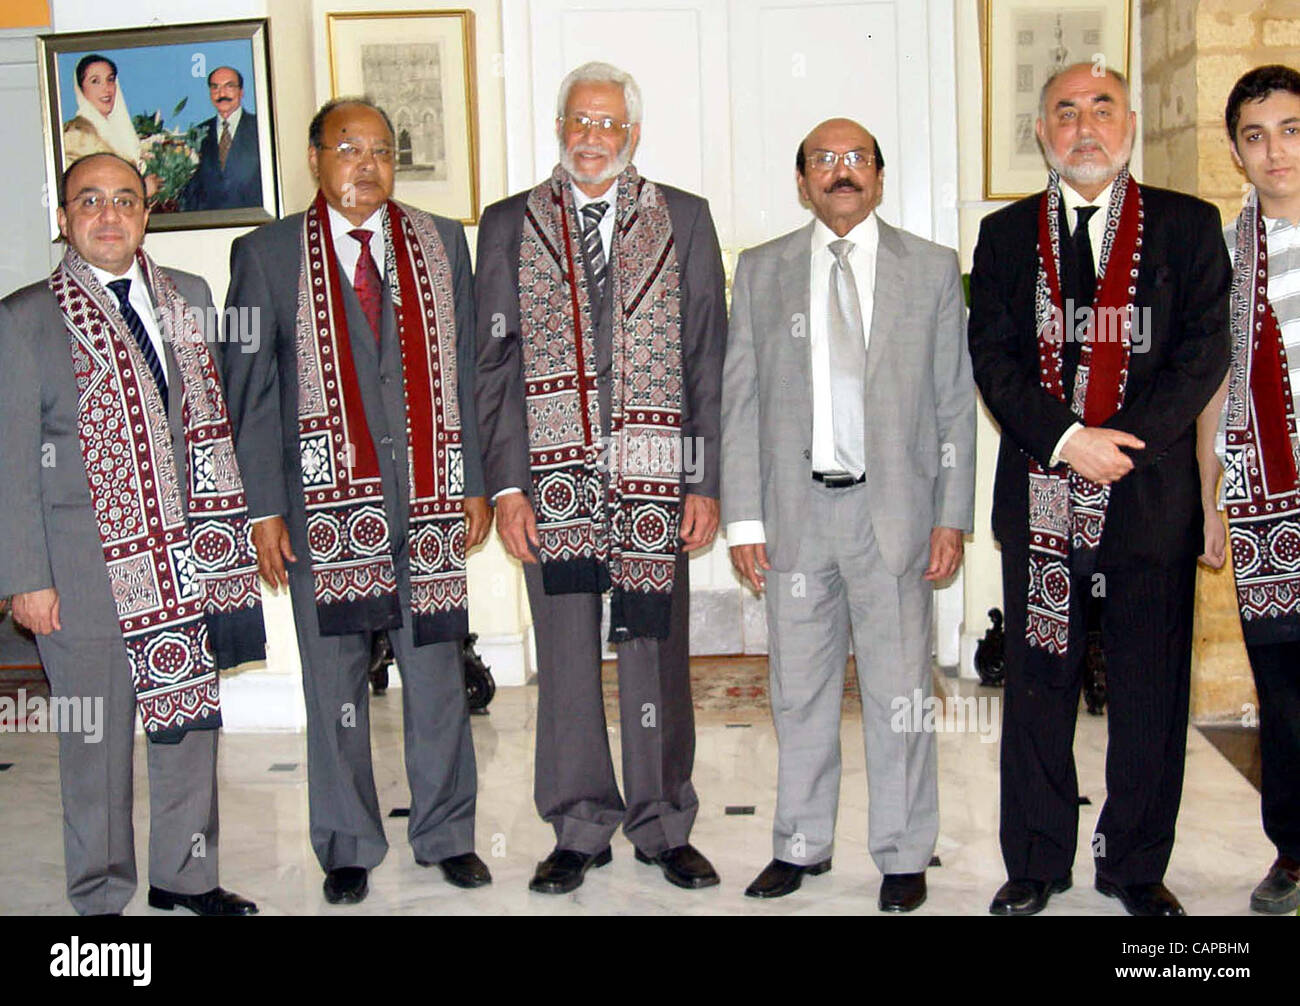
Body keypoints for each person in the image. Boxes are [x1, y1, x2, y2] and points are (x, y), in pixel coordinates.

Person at [968, 62, 1231, 917]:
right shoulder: (1007, 237)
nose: (1085, 127)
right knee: (1040, 685)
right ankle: (1037, 861)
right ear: (1042, 133)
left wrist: (1129, 445)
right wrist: (1068, 440)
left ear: (1130, 125)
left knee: (1150, 693)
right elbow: (994, 359)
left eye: (1101, 109)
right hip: (1044, 501)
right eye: (1065, 113)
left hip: (1148, 500)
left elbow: (1203, 351)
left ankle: (1133, 868)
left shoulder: (1188, 227)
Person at [221, 98, 491, 906]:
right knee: (333, 679)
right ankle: (346, 843)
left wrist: (473, 477)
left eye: (380, 150)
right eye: (348, 148)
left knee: (436, 671)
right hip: (319, 509)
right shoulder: (264, 254)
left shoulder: (440, 242)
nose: (366, 164)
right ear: (315, 160)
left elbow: (468, 371)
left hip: (432, 498)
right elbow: (250, 392)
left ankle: (447, 834)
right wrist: (263, 509)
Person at [474, 61, 726, 894]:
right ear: (559, 130)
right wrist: (507, 486)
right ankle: (579, 821)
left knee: (655, 648)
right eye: (579, 122)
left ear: (633, 134)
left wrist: (702, 481)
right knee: (568, 652)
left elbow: (705, 362)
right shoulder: (509, 223)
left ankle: (662, 820)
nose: (593, 137)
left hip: (657, 472)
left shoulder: (684, 219)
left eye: (609, 124)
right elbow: (493, 367)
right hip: (552, 475)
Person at [0, 152, 263, 916]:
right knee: (95, 745)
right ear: (64, 219)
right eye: (90, 200)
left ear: (147, 213)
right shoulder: (23, 319)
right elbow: (10, 459)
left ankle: (187, 877)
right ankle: (100, 893)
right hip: (80, 571)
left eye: (124, 200)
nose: (109, 215)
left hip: (187, 558)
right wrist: (26, 576)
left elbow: (207, 424)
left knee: (189, 726)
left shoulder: (191, 296)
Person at [721, 119, 974, 910]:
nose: (841, 172)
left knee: (900, 693)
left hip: (893, 517)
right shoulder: (761, 271)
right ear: (801, 181)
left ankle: (903, 854)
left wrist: (951, 515)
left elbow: (953, 403)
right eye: (824, 161)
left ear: (880, 176)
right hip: (797, 519)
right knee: (798, 692)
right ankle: (801, 845)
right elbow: (741, 402)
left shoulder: (930, 269)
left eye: (857, 159)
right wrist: (744, 521)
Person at [1196, 63, 1300, 916]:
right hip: (1270, 503)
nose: (1276, 152)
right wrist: (1212, 500)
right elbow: (1212, 389)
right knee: (1286, 691)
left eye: (1292, 130)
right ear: (1236, 151)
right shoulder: (1227, 257)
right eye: (1256, 136)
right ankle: (1294, 854)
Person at [62, 54, 159, 198]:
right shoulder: (76, 133)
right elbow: (82, 192)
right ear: (81, 88)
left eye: (110, 80)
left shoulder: (120, 131)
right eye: (95, 81)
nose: (106, 89)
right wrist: (141, 191)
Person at [179, 66, 262, 212]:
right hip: (208, 224)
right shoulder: (196, 134)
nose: (221, 93)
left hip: (252, 219)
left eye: (229, 86)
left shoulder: (260, 128)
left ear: (241, 92)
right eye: (215, 88)